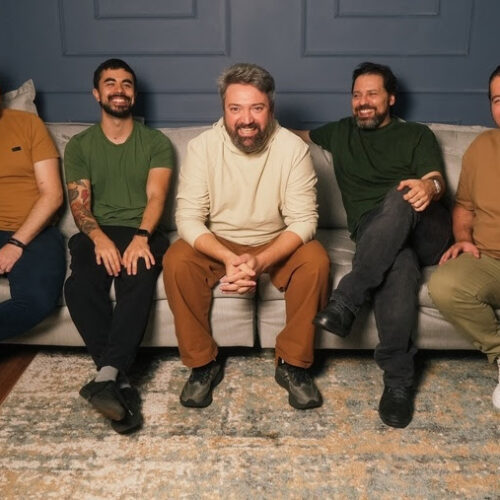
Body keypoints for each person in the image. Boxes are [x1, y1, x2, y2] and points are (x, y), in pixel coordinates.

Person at [292, 62, 452, 428]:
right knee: (401, 264)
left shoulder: (416, 134)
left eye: (372, 94)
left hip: (427, 226)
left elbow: (435, 179)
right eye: (357, 95)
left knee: (400, 194)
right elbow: (294, 134)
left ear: (391, 98)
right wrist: (252, 121)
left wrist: (429, 187)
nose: (363, 102)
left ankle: (347, 299)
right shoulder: (340, 132)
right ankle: (398, 382)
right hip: (376, 236)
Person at [163, 63, 330, 410]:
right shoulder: (202, 147)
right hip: (218, 242)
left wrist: (259, 261)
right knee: (176, 259)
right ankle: (202, 364)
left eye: (257, 107)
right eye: (235, 108)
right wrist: (228, 258)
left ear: (271, 108)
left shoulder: (292, 149)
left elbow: (304, 221)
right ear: (224, 109)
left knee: (315, 260)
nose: (246, 119)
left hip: (275, 240)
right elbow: (188, 218)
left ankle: (292, 364)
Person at [64, 59, 173, 434]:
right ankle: (117, 381)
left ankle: (107, 376)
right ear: (97, 93)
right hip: (97, 231)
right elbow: (80, 204)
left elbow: (156, 197)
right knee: (78, 286)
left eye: (126, 84)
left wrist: (141, 237)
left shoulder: (156, 143)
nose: (119, 89)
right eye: (110, 83)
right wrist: (99, 239)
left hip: (143, 230)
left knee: (138, 276)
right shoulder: (80, 145)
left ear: (134, 94)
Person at [428, 65, 500, 410]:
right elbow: (465, 206)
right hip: (488, 259)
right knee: (444, 285)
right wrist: (462, 237)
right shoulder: (482, 146)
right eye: (498, 100)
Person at [0, 89, 65, 338]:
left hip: (34, 231)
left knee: (36, 301)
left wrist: (16, 243)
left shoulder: (28, 124)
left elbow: (53, 195)